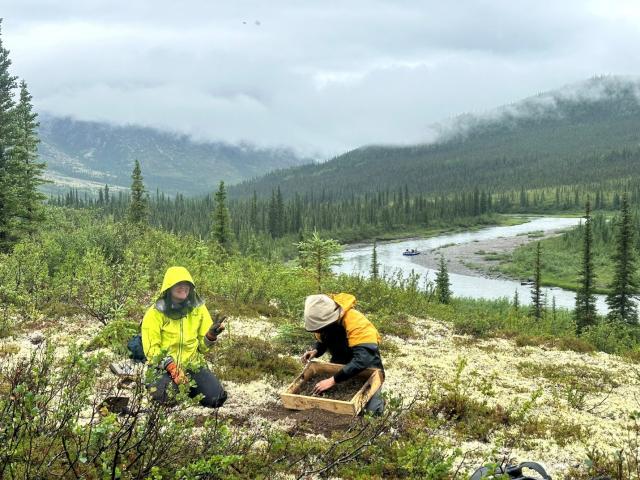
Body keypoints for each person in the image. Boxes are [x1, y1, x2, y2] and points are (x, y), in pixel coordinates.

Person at [142, 266, 227, 408]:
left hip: (192, 365)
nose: (183, 287)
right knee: (165, 398)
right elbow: (151, 350)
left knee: (216, 399)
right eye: (178, 283)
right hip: (163, 368)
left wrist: (210, 336)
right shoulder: (155, 313)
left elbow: (202, 348)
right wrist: (171, 366)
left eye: (187, 284)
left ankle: (187, 386)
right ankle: (171, 387)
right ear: (169, 287)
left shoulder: (198, 309)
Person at [301, 293, 384, 414]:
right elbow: (322, 340)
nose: (318, 330)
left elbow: (363, 359)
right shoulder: (323, 321)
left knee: (370, 412)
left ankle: (378, 404)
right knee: (331, 408)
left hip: (367, 367)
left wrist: (332, 380)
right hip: (339, 364)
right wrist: (316, 350)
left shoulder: (357, 322)